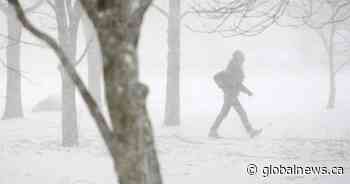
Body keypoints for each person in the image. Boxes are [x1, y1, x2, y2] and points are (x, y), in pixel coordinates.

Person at [209, 50, 262, 138]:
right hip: (230, 95)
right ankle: (250, 131)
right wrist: (224, 87)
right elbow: (220, 77)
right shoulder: (232, 68)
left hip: (231, 95)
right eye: (241, 58)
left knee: (226, 113)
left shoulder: (235, 68)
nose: (242, 61)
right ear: (238, 58)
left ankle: (213, 131)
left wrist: (247, 91)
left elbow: (237, 84)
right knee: (240, 113)